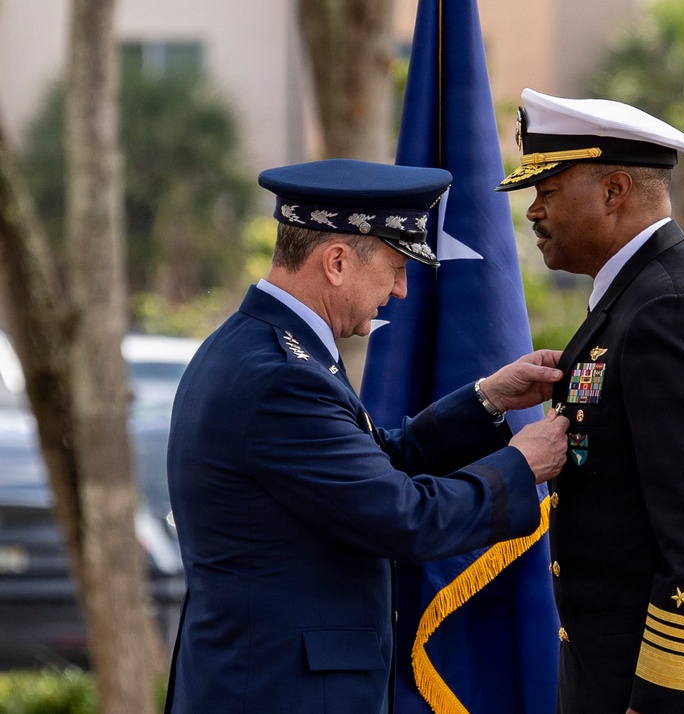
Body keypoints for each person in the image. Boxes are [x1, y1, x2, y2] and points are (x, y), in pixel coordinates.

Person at [164, 158, 570, 714]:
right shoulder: (282, 377)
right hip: (281, 694)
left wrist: (487, 399)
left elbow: (372, 465)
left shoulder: (256, 347)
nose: (402, 289)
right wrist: (522, 467)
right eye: (396, 266)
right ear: (335, 262)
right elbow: (403, 516)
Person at [496, 89, 684, 713]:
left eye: (547, 193)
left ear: (614, 191)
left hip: (672, 692)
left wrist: (662, 702)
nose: (533, 212)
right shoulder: (644, 299)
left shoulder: (670, 311)